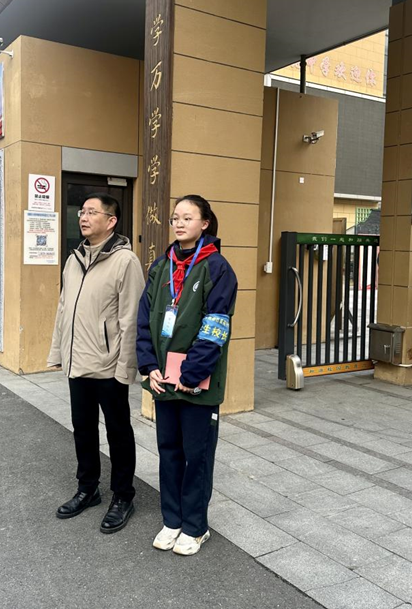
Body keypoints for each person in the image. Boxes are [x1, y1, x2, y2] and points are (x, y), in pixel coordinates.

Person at [137, 195, 238, 556]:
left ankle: (195, 527)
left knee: (197, 455)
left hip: (197, 383)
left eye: (188, 217)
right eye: (175, 218)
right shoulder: (160, 266)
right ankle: (172, 520)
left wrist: (192, 374)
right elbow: (144, 319)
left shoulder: (217, 268)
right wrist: (149, 365)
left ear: (205, 223)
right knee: (168, 451)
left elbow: (216, 327)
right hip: (164, 378)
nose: (179, 223)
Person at [47, 193, 144, 534]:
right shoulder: (74, 259)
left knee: (118, 432)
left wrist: (125, 368)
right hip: (78, 363)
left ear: (111, 220)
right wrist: (58, 353)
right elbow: (63, 309)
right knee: (83, 429)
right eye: (82, 212)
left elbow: (132, 318)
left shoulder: (125, 261)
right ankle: (88, 488)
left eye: (92, 212)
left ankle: (123, 495)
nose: (83, 217)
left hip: (109, 365)